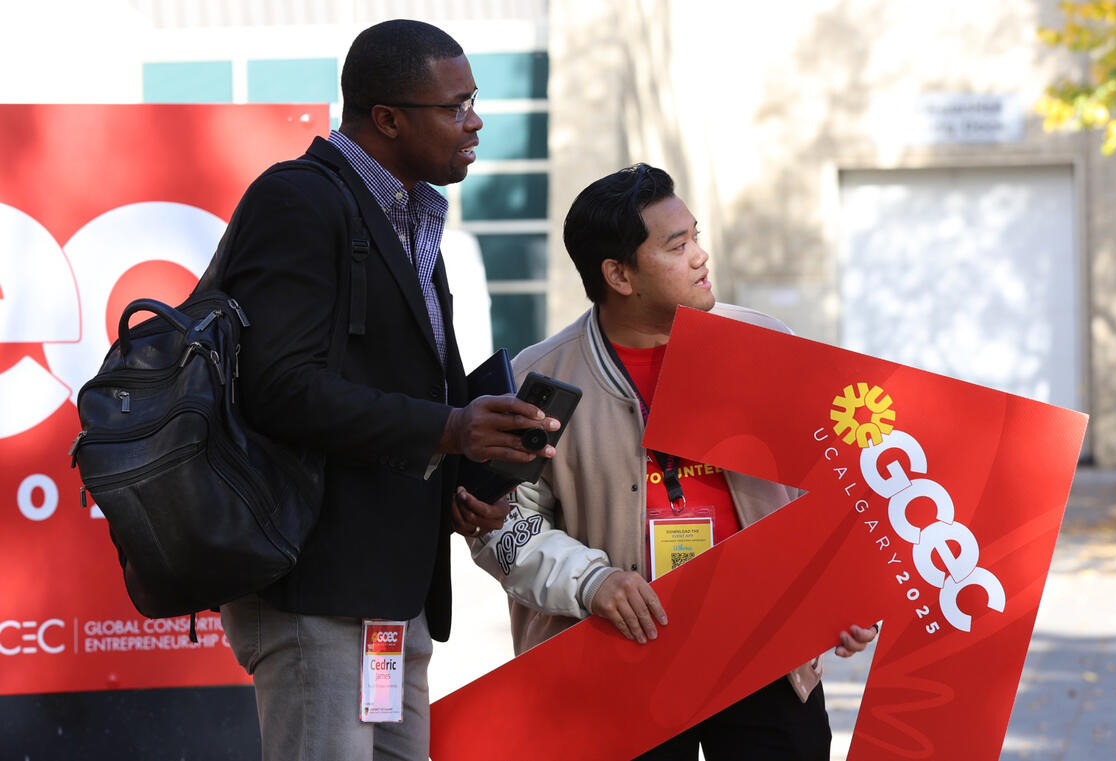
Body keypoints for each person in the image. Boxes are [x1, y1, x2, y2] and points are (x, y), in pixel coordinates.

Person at [215, 19, 561, 761]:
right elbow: (278, 388)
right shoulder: (298, 201)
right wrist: (450, 429)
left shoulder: (413, 212)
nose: (475, 121)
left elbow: (405, 384)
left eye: (473, 101)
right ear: (388, 118)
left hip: (393, 586)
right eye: (456, 106)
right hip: (317, 585)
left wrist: (466, 480)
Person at [468, 164, 878, 760]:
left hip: (765, 654)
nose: (700, 257)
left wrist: (842, 593)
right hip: (615, 664)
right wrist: (592, 582)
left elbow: (837, 485)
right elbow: (499, 526)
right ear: (619, 275)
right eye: (677, 245)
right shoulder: (538, 380)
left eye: (696, 237)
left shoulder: (765, 347)